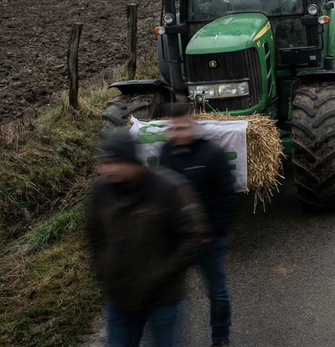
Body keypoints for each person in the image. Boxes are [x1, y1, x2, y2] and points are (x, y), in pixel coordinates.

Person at [86, 128, 209, 347]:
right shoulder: (101, 192)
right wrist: (104, 272)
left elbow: (195, 235)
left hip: (163, 299)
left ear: (129, 160)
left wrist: (163, 274)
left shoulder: (168, 188)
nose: (104, 168)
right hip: (120, 297)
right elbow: (94, 234)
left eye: (111, 161)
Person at [157, 102, 237, 347]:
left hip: (209, 239)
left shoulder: (212, 153)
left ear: (192, 124)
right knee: (170, 293)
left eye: (183, 128)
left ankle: (220, 336)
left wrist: (216, 231)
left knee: (217, 292)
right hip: (179, 239)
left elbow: (227, 195)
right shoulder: (166, 155)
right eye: (174, 129)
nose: (179, 134)